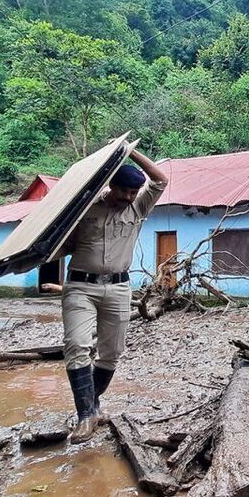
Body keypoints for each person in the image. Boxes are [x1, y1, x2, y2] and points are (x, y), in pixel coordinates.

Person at [57, 150, 169, 442]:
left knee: (111, 353)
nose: (130, 197)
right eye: (124, 191)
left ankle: (91, 406)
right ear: (111, 187)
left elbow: (160, 180)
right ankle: (85, 416)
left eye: (134, 192)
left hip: (119, 288)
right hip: (80, 286)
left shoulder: (139, 208)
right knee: (78, 345)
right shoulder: (84, 208)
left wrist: (131, 153)